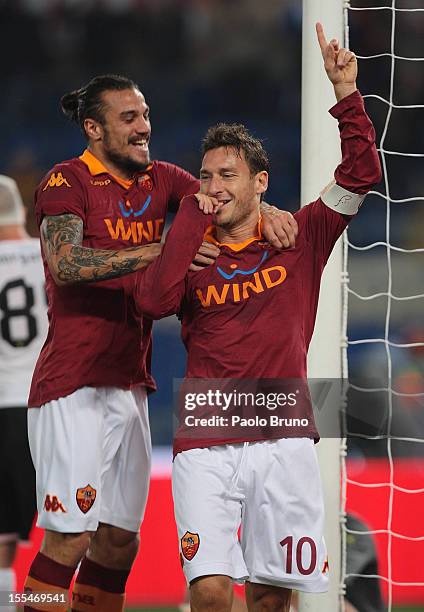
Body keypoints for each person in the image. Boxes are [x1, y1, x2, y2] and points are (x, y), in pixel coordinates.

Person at [128, 23, 382, 611]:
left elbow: (361, 174)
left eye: (228, 176)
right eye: (207, 176)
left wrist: (346, 94)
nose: (213, 187)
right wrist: (189, 227)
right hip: (205, 436)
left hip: (283, 436)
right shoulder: (189, 252)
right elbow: (153, 302)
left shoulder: (302, 235)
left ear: (260, 183)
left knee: (271, 598)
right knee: (212, 592)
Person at [23, 73, 297, 611]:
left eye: (145, 114)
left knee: (120, 541)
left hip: (130, 383)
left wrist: (270, 213)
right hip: (73, 381)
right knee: (70, 537)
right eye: (129, 118)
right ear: (93, 128)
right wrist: (159, 252)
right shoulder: (67, 182)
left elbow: (223, 199)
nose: (144, 126)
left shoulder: (161, 180)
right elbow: (66, 263)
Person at [0, 176, 48, 612]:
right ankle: (39, 602)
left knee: (1, 539)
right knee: (62, 529)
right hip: (43, 405)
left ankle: (8, 603)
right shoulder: (47, 254)